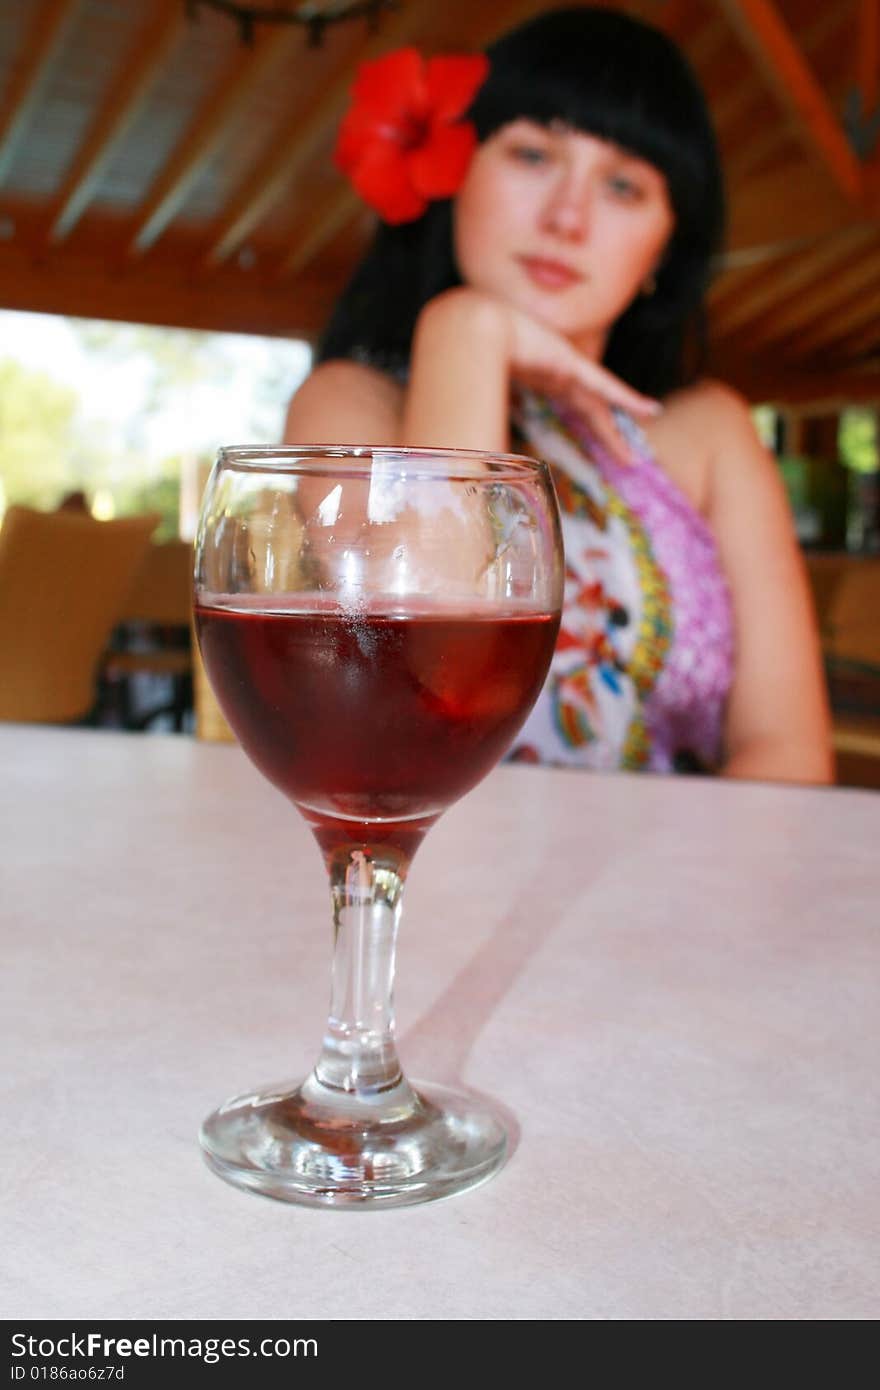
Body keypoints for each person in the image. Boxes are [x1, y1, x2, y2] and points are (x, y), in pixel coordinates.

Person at [284, 6, 832, 784]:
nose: (567, 217)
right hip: (429, 888)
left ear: (662, 251)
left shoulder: (710, 432)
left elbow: (786, 754)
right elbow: (425, 691)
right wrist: (467, 332)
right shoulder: (348, 409)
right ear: (455, 176)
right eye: (534, 154)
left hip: (676, 887)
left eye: (622, 185)